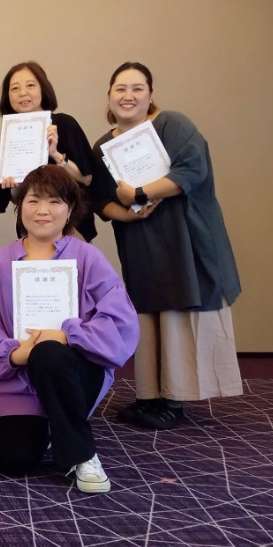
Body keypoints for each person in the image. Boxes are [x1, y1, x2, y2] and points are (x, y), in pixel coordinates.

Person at [0, 166, 139, 493]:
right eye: (34, 201)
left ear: (70, 210)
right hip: (17, 380)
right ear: (20, 208)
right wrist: (15, 354)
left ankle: (83, 454)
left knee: (49, 352)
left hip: (75, 373)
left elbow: (120, 321)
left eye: (55, 201)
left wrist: (69, 335)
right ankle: (54, 426)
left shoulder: (88, 258)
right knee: (14, 461)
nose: (43, 210)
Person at [88, 62, 242, 430]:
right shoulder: (104, 145)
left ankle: (173, 399)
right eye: (120, 88)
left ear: (150, 95)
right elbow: (98, 198)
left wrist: (139, 193)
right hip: (141, 242)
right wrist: (128, 215)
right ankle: (149, 395)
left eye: (137, 88)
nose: (128, 96)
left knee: (177, 311)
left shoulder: (172, 125)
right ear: (109, 96)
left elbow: (193, 170)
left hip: (184, 237)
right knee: (146, 314)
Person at [0, 61, 97, 242]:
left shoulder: (64, 123)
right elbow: (17, 199)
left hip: (71, 225)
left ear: (43, 88)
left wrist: (55, 154)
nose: (23, 93)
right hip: (32, 228)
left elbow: (86, 178)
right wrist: (14, 187)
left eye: (30, 85)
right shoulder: (11, 132)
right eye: (15, 88)